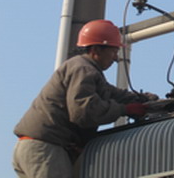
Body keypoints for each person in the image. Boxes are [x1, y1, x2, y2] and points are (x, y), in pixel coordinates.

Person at [12, 19, 158, 178]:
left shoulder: (84, 69)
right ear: (96, 49)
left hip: (33, 148)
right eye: (113, 51)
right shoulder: (83, 69)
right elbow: (84, 112)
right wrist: (124, 109)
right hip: (45, 149)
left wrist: (143, 99)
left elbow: (113, 93)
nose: (116, 58)